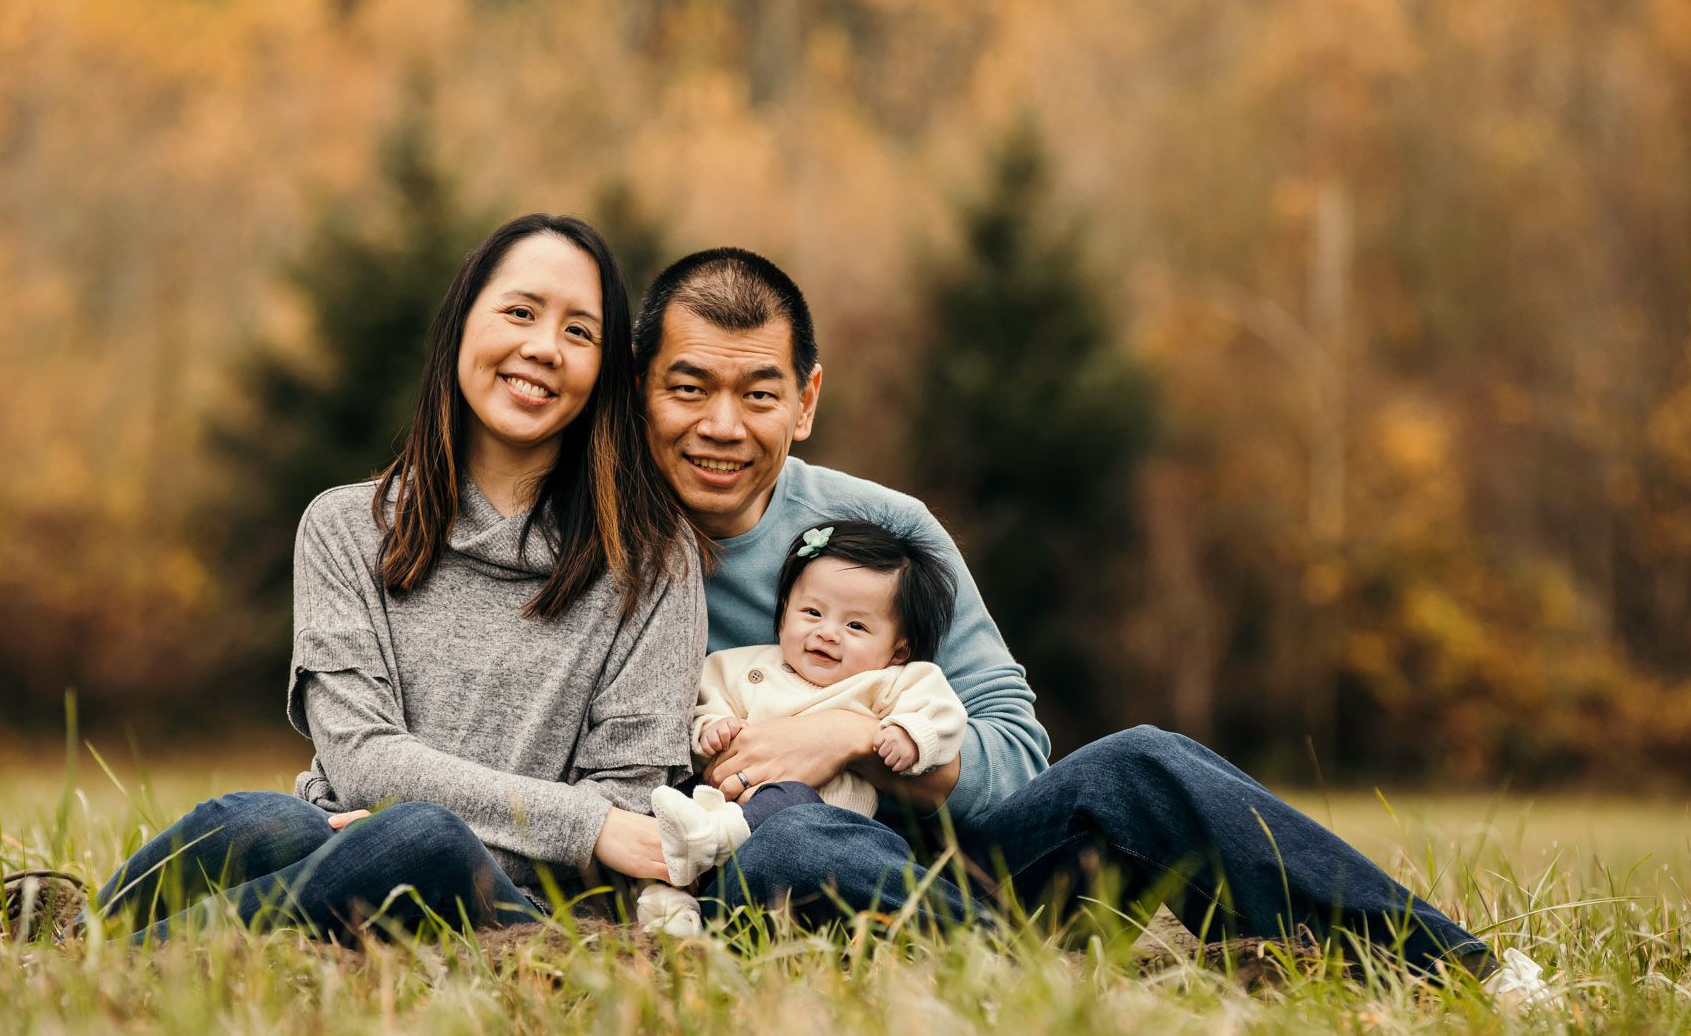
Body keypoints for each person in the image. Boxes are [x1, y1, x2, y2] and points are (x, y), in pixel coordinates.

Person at [635, 245, 1503, 978]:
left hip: (946, 873)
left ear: (806, 400)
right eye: (689, 388)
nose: (722, 424)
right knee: (798, 843)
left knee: (1142, 765)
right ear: (641, 392)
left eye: (757, 393)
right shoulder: (593, 542)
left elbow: (1014, 751)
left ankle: (1462, 970)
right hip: (748, 871)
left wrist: (854, 735)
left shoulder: (883, 537)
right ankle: (1022, 981)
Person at [91, 214, 703, 944]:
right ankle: (82, 942)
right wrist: (577, 823)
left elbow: (625, 812)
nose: (543, 347)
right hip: (338, 844)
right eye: (519, 312)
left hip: (528, 908)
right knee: (258, 819)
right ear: (459, 327)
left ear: (604, 371)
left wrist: (411, 817)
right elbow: (360, 756)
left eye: (580, 332)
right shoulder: (345, 528)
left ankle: (139, 961)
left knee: (427, 839)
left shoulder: (651, 559)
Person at [636, 519, 967, 935]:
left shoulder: (891, 681)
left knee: (792, 800)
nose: (827, 633)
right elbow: (701, 704)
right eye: (812, 613)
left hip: (810, 830)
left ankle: (707, 849)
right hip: (717, 809)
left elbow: (943, 715)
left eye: (856, 626)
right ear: (782, 616)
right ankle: (670, 904)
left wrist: (909, 736)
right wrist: (711, 728)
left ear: (897, 649)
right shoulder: (743, 666)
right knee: (664, 803)